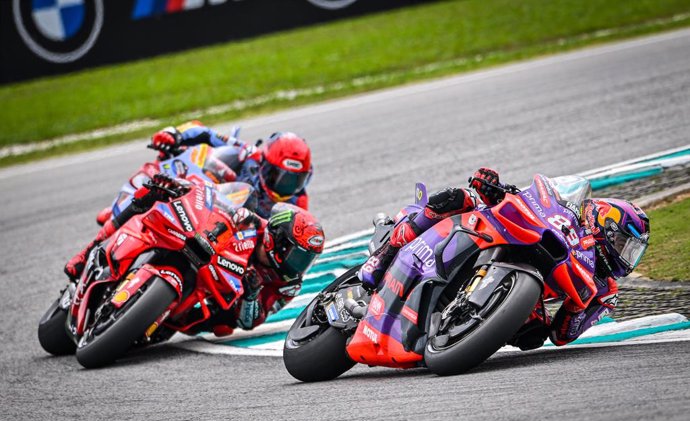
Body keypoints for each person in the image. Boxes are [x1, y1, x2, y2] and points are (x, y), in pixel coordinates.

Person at [358, 168, 650, 350]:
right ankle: (386, 255)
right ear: (602, 225)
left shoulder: (604, 288)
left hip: (522, 294)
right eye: (623, 243)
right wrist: (493, 186)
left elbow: (562, 335)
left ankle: (463, 330)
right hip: (495, 232)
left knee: (533, 336)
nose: (625, 254)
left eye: (631, 250)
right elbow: (529, 199)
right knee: (460, 198)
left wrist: (581, 306)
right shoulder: (569, 218)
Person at [66, 174, 325, 334]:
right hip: (199, 253)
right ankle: (87, 251)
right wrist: (181, 187)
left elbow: (251, 322)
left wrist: (252, 296)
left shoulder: (288, 285)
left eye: (305, 260)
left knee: (220, 325)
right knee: (148, 196)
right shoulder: (250, 221)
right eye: (297, 255)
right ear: (277, 239)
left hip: (215, 302)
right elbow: (213, 197)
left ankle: (147, 319)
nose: (298, 265)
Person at [150, 121, 313, 217]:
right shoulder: (250, 154)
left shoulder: (298, 203)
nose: (285, 186)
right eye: (279, 176)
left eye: (294, 181)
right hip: (206, 206)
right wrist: (173, 134)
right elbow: (205, 132)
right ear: (265, 164)